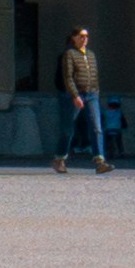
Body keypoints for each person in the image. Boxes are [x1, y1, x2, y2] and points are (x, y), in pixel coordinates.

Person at [51, 25, 106, 176]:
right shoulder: (68, 54)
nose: (84, 39)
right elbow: (67, 77)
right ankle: (59, 158)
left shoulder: (91, 55)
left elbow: (93, 74)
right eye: (81, 36)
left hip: (91, 94)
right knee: (68, 129)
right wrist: (75, 95)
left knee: (96, 127)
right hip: (73, 95)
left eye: (86, 36)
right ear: (74, 37)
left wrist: (96, 90)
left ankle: (99, 161)